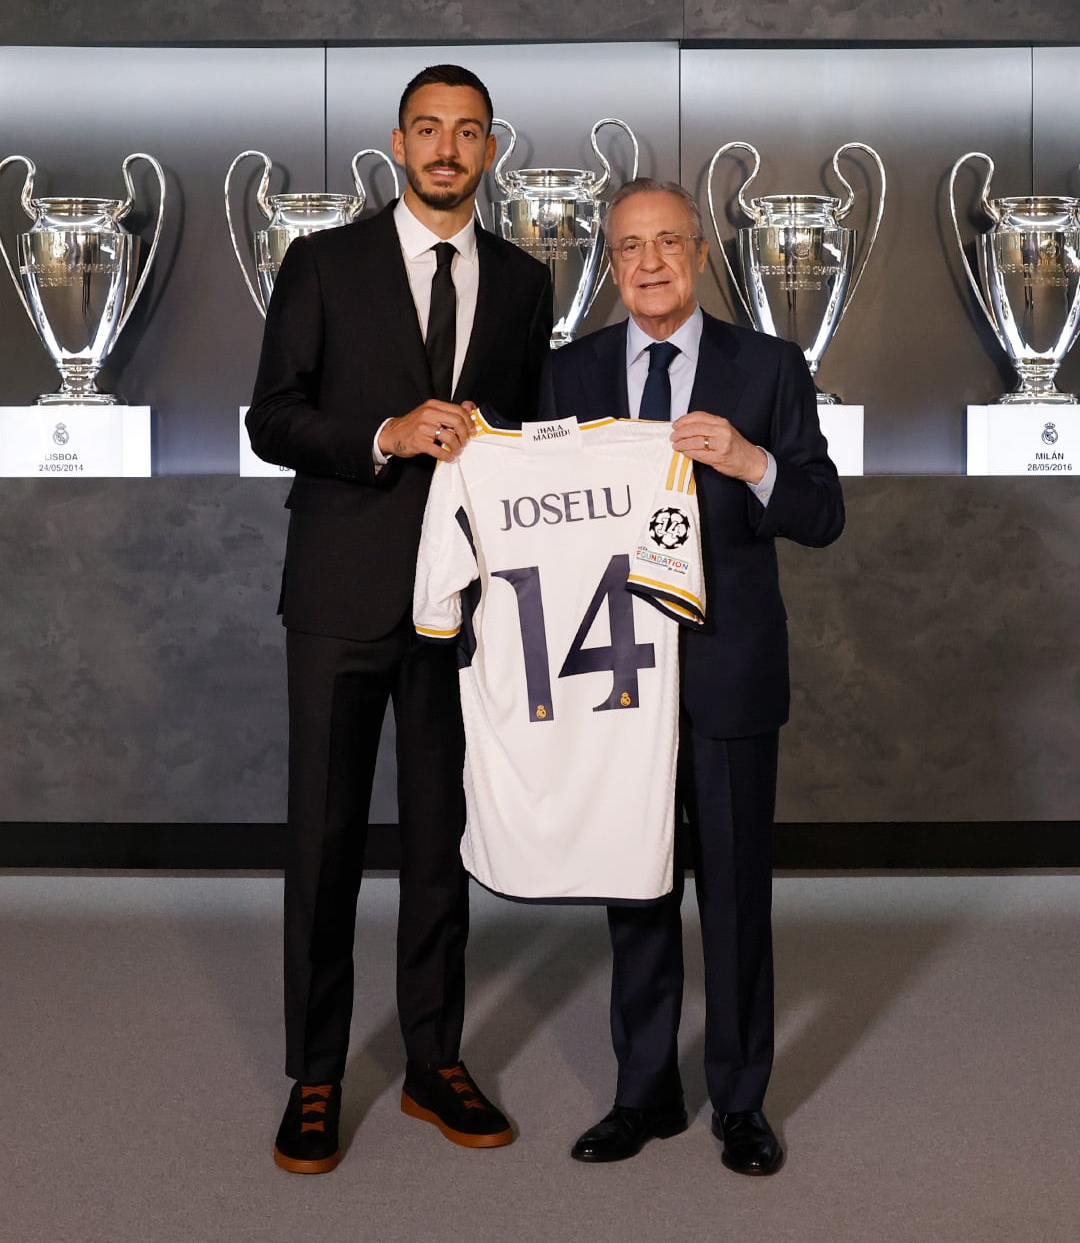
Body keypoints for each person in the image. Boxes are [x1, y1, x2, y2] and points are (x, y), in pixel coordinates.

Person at [247, 64, 552, 1174]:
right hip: (339, 593)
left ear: (489, 149)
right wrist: (384, 432)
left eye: (467, 132)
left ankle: (434, 1060)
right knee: (323, 843)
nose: (446, 148)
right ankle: (316, 1074)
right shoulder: (321, 262)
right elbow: (270, 420)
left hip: (464, 607)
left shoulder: (525, 280)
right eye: (428, 128)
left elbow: (530, 436)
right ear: (396, 142)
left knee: (439, 844)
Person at [537, 177, 844, 1175]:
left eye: (669, 242)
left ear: (702, 254)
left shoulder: (769, 367)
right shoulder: (568, 374)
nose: (652, 263)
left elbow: (820, 510)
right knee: (634, 891)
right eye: (631, 247)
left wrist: (755, 461)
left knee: (737, 898)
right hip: (614, 676)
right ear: (610, 263)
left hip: (729, 674)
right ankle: (644, 1094)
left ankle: (742, 1103)